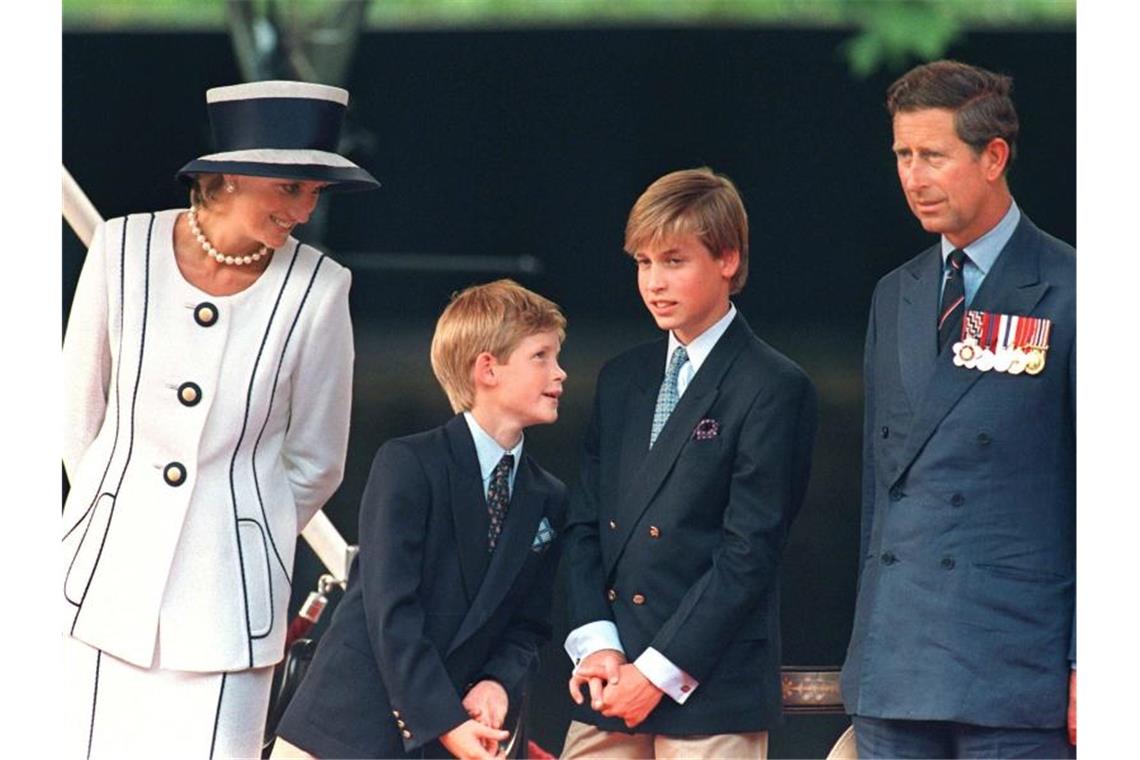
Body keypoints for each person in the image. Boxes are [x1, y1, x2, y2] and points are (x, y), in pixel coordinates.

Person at [61, 80, 379, 758]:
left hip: (229, 606)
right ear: (231, 173)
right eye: (290, 188)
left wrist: (244, 527)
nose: (302, 210)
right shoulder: (121, 249)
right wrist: (111, 506)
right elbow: (77, 417)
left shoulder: (321, 288)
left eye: (314, 192)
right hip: (100, 585)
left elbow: (318, 458)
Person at [840, 60, 1076, 758]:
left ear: (994, 156)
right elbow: (880, 493)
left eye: (933, 156)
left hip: (1017, 668)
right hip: (895, 663)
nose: (914, 177)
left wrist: (1091, 664)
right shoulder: (898, 293)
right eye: (903, 156)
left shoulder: (1075, 289)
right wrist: (866, 653)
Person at [560, 168, 817, 759]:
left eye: (674, 261)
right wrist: (598, 647)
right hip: (609, 683)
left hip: (710, 691)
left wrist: (654, 674)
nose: (654, 282)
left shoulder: (773, 385)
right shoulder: (622, 378)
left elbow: (748, 553)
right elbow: (586, 526)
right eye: (643, 263)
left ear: (727, 258)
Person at [272, 279, 569, 760]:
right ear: (487, 369)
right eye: (541, 356)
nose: (560, 374)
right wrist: (442, 721)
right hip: (351, 729)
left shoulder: (548, 495)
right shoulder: (408, 464)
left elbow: (529, 625)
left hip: (464, 733)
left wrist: (497, 681)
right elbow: (392, 611)